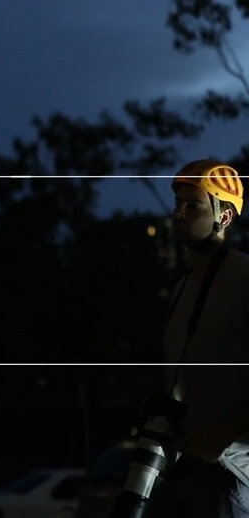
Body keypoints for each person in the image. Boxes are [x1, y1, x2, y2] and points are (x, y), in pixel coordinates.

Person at [143, 159, 249, 516]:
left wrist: (219, 439)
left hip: (232, 474)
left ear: (225, 217)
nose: (180, 214)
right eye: (178, 205)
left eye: (194, 206)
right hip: (185, 465)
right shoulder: (182, 289)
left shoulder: (244, 277)